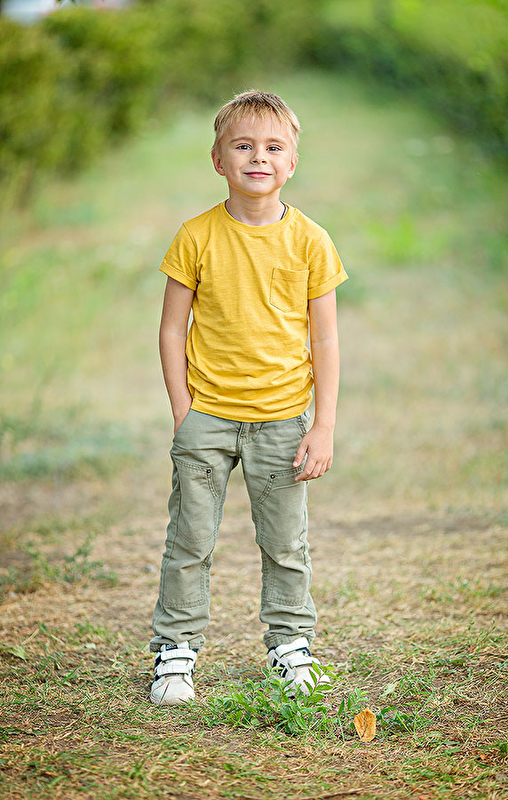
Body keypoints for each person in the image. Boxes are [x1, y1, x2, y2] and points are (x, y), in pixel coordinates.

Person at [150, 90, 348, 706]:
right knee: (190, 539)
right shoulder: (196, 236)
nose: (258, 157)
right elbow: (171, 330)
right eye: (243, 145)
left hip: (283, 420)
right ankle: (175, 651)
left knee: (285, 542)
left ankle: (291, 646)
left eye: (273, 147)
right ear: (218, 159)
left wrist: (322, 426)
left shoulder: (311, 241)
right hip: (208, 417)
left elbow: (325, 339)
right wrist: (183, 411)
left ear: (292, 162)